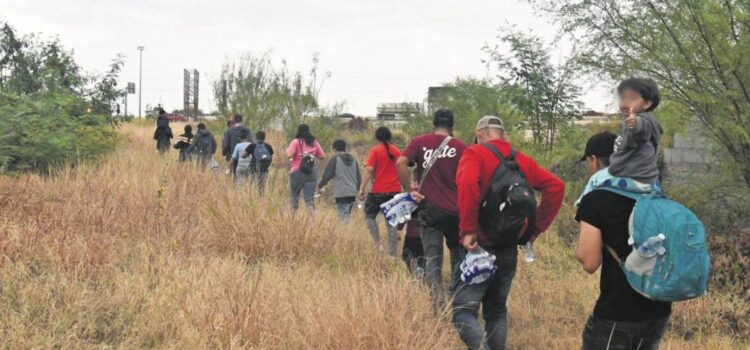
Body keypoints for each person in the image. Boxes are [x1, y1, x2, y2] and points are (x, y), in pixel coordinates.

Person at [453, 116, 565, 350]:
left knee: (463, 312)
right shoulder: (521, 159)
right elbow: (556, 187)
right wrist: (534, 231)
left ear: (480, 133)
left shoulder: (475, 153)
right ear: (503, 134)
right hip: (508, 249)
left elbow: (467, 185)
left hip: (479, 248)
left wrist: (468, 229)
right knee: (496, 311)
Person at [575, 132, 672, 350]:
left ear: (593, 160)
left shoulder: (595, 199)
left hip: (618, 312)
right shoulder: (653, 192)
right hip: (658, 308)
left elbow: (589, 263)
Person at [396, 108, 466, 309]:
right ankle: (458, 300)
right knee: (457, 255)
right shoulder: (461, 147)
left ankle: (438, 304)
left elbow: (401, 163)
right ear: (452, 127)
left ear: (433, 124)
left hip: (430, 210)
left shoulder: (419, 142)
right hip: (456, 211)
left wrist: (409, 191)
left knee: (433, 258)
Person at [577, 78, 663, 206]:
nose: (625, 102)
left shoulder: (642, 121)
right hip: (648, 180)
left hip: (632, 177)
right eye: (623, 98)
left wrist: (634, 124)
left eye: (632, 98)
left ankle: (581, 205)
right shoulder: (639, 121)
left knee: (596, 179)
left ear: (647, 104)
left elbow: (640, 131)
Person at [358, 126, 401, 257]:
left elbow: (370, 170)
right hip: (395, 191)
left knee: (369, 215)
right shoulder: (397, 151)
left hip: (378, 191)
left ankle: (378, 244)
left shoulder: (375, 150)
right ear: (389, 137)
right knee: (391, 222)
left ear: (377, 137)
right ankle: (392, 254)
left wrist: (362, 188)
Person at [317, 139, 361, 223]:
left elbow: (327, 174)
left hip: (341, 192)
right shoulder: (353, 159)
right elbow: (358, 176)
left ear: (335, 149)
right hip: (352, 192)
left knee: (343, 217)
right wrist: (359, 189)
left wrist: (320, 185)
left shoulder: (335, 158)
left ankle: (345, 234)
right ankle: (348, 233)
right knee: (346, 214)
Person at [286, 124, 325, 210]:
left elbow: (289, 155)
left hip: (297, 171)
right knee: (310, 200)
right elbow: (322, 156)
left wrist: (287, 150)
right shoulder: (314, 142)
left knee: (294, 196)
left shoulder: (296, 141)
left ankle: (293, 218)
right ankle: (311, 220)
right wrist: (311, 154)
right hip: (311, 171)